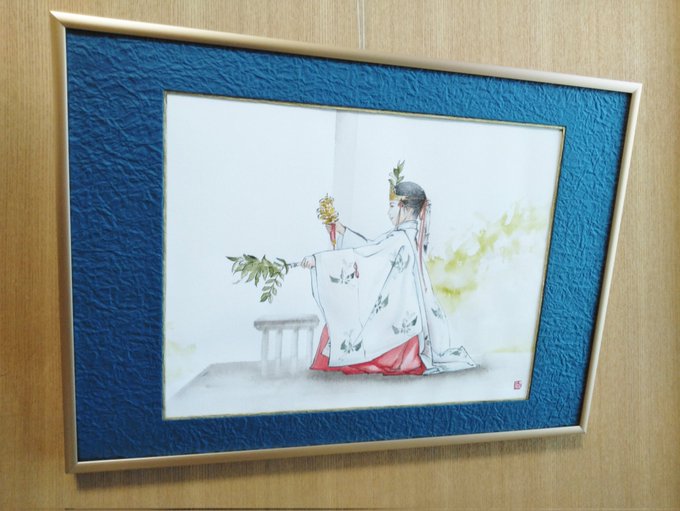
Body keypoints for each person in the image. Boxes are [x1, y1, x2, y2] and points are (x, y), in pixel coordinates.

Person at [301, 180, 476, 375]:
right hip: (405, 313)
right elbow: (372, 249)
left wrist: (319, 261)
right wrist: (341, 230)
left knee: (347, 320)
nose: (388, 212)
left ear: (406, 209)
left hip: (399, 321)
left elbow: (368, 254)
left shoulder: (400, 238)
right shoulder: (406, 236)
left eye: (392, 206)